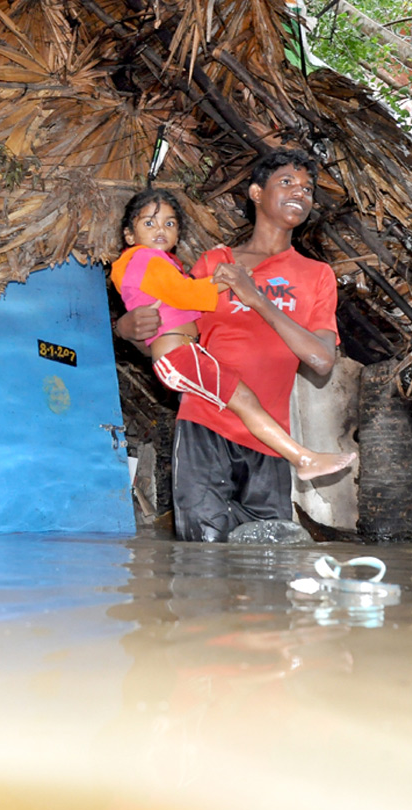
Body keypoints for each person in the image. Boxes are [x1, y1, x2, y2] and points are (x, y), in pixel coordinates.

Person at [114, 148, 347, 542]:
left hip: (270, 441)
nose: (300, 193)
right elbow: (173, 339)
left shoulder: (317, 275)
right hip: (206, 426)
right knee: (203, 557)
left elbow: (321, 360)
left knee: (265, 568)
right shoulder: (215, 263)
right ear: (256, 193)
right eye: (287, 182)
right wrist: (125, 329)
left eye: (308, 188)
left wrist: (256, 298)